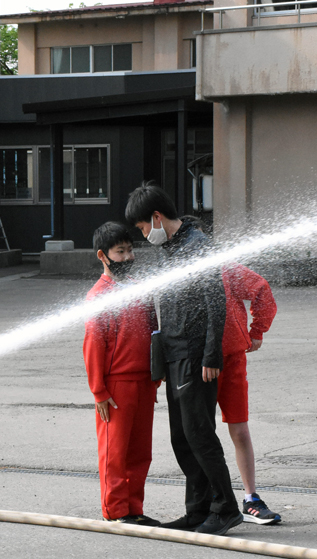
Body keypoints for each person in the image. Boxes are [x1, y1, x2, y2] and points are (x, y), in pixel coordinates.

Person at [125, 183, 239, 536]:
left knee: (199, 433)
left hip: (195, 357)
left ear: (157, 217)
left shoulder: (197, 247)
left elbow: (215, 302)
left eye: (144, 228)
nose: (144, 236)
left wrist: (211, 354)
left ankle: (226, 508)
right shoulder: (170, 250)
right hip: (174, 354)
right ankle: (197, 508)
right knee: (181, 437)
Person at [83, 221, 159, 526]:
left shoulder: (139, 290)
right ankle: (115, 511)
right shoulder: (98, 296)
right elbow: (93, 345)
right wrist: (99, 391)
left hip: (145, 381)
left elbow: (154, 329)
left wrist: (157, 370)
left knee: (141, 452)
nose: (128, 257)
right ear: (103, 255)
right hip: (116, 386)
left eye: (130, 250)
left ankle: (134, 508)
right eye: (120, 251)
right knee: (115, 453)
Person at [220, 262, 282, 524]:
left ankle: (250, 498)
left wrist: (257, 329)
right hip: (196, 362)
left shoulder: (224, 269)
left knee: (240, 430)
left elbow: (260, 288)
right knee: (198, 434)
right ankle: (211, 498)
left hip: (232, 358)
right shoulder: (179, 270)